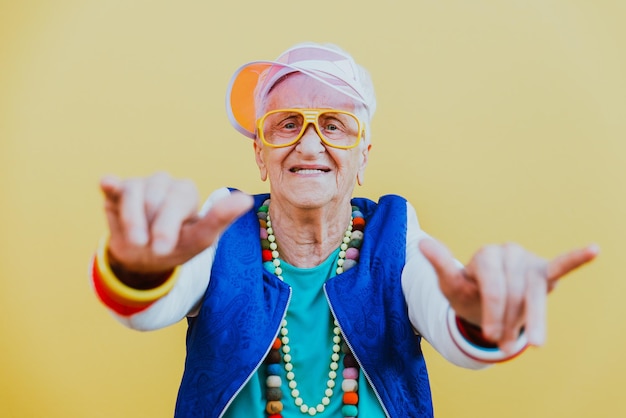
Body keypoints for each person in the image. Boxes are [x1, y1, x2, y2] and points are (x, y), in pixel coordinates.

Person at [91, 42, 598, 418]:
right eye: (287, 123)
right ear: (260, 155)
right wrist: (139, 270)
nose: (310, 146)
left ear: (362, 159)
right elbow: (152, 306)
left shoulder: (395, 234)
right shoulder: (222, 225)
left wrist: (482, 315)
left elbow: (451, 325)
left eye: (334, 125)